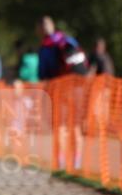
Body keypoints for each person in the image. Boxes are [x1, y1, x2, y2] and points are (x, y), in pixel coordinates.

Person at [37, 16, 88, 170]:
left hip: (59, 89)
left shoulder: (45, 47)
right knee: (75, 125)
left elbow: (43, 73)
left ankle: (61, 162)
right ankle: (76, 163)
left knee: (60, 125)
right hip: (77, 87)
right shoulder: (68, 39)